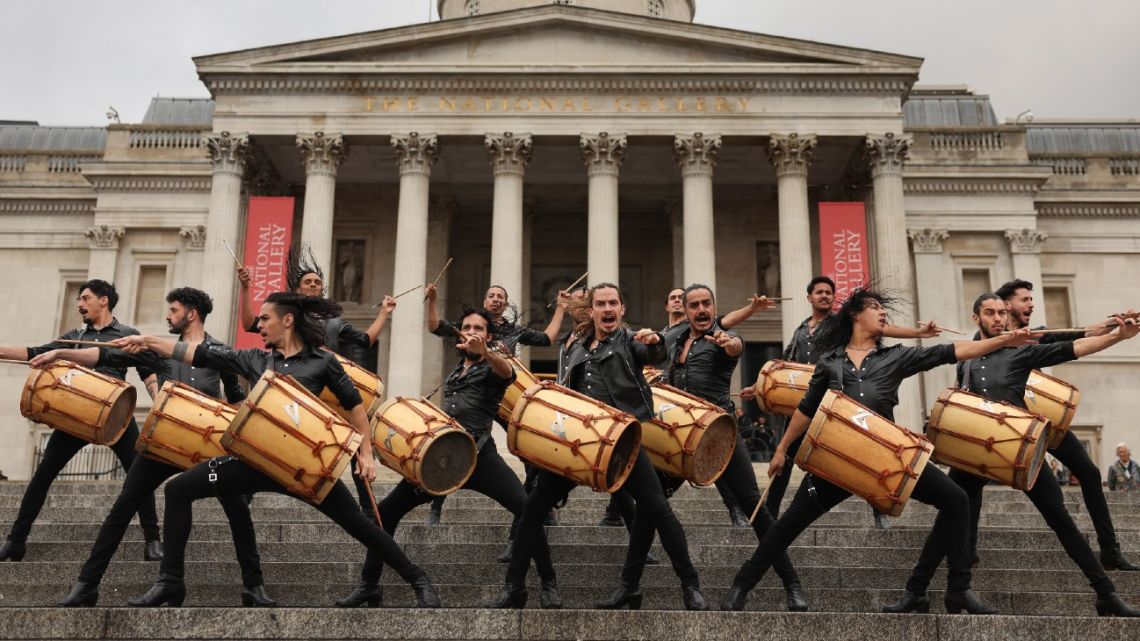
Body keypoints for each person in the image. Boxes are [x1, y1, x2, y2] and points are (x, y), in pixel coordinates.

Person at [106, 292, 441, 608]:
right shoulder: (256, 359)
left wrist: (365, 453)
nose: (259, 325)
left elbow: (355, 407)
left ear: (288, 321)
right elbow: (201, 353)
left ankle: (419, 580)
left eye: (265, 319)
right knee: (180, 488)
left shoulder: (323, 363)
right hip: (254, 463)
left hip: (304, 468)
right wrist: (147, 341)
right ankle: (170, 581)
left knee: (359, 523)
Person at [721, 286, 1038, 614]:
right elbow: (805, 408)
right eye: (875, 307)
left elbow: (951, 351)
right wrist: (781, 449)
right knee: (785, 526)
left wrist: (1002, 341)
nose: (883, 312)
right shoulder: (830, 362)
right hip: (837, 460)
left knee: (957, 500)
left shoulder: (895, 357)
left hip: (888, 459)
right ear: (857, 315)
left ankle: (951, 589)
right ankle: (741, 585)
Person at [884, 294, 1140, 617]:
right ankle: (916, 592)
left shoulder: (1020, 351)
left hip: (1020, 448)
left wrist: (1118, 336)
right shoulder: (966, 358)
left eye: (1002, 313)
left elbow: (1074, 348)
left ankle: (1106, 594)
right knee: (947, 518)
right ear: (976, 318)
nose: (998, 318)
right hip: (977, 448)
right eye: (990, 313)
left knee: (1061, 520)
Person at [29, 287, 274, 607]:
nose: (168, 316)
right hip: (163, 441)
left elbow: (236, 399)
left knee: (238, 511)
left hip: (206, 445)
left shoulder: (219, 352)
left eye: (173, 310)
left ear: (192, 314)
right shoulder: (159, 350)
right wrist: (62, 353)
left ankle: (253, 587)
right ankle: (87, 584)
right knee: (122, 507)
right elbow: (105, 354)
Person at [492, 283, 708, 611]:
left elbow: (653, 352)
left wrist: (655, 342)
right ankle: (515, 588)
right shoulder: (576, 346)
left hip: (623, 445)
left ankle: (689, 586)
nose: (607, 309)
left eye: (613, 303)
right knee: (532, 511)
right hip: (579, 444)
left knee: (659, 511)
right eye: (601, 304)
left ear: (622, 310)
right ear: (591, 311)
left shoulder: (631, 341)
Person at [336, 307, 562, 609]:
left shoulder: (495, 366)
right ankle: (369, 585)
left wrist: (488, 352)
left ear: (488, 336)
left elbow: (506, 374)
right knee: (386, 513)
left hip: (481, 456)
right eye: (467, 327)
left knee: (526, 511)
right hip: (443, 458)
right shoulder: (456, 371)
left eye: (478, 328)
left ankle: (543, 584)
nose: (471, 332)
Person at [641, 283, 809, 611]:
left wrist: (729, 340)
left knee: (756, 510)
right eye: (695, 305)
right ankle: (656, 585)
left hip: (720, 437)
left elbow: (733, 346)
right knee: (651, 505)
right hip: (681, 437)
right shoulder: (676, 340)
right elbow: (654, 350)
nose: (701, 310)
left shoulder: (724, 338)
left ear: (714, 308)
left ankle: (792, 585)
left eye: (707, 304)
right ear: (685, 311)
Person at [746, 275, 946, 530]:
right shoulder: (800, 329)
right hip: (807, 402)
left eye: (829, 292)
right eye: (819, 292)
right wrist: (757, 386)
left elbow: (881, 329)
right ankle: (771, 513)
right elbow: (785, 362)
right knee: (785, 453)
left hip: (838, 402)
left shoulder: (839, 325)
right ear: (810, 298)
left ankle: (879, 510)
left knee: (869, 453)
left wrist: (918, 333)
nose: (825, 296)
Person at [0, 280, 163, 564]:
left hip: (116, 415)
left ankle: (152, 541)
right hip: (76, 415)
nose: (79, 304)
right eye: (78, 299)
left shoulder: (127, 334)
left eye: (85, 298)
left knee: (140, 474)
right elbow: (33, 351)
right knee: (42, 476)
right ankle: (16, 541)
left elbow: (148, 372)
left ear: (104, 301)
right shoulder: (73, 336)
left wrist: (158, 397)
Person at [995, 279, 1138, 570]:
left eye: (1031, 300)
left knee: (1089, 471)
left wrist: (1116, 322)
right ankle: (965, 558)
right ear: (1007, 305)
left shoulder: (1037, 335)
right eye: (1025, 300)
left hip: (1042, 416)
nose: (1031, 304)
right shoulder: (988, 338)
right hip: (1012, 427)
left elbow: (1085, 334)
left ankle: (1110, 550)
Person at [424, 283, 567, 527]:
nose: (496, 299)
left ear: (506, 303)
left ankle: (539, 501)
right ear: (485, 300)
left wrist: (561, 308)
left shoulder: (514, 331)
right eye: (491, 295)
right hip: (473, 398)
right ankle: (436, 506)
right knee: (449, 446)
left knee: (528, 451)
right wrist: (433, 299)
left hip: (504, 399)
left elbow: (547, 338)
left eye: (501, 296)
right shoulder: (471, 327)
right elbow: (436, 325)